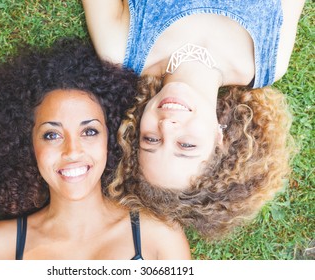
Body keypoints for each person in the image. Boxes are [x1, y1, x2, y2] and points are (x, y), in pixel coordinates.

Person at [82, 0, 303, 237]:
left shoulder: (120, 47)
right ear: (221, 139)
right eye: (186, 145)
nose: (166, 126)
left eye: (151, 139)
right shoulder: (269, 59)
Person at [0, 37, 191, 259]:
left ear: (112, 139)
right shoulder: (0, 247)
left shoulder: (160, 236)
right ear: (26, 144)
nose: (72, 151)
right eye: (52, 135)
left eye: (89, 131)